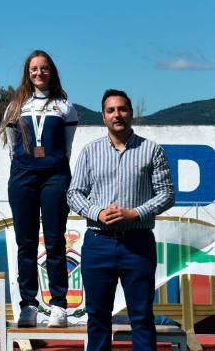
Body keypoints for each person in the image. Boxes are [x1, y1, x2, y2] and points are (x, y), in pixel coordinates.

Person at [67, 89, 174, 351]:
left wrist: (134, 213)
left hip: (137, 243)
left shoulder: (152, 150)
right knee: (97, 318)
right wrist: (98, 213)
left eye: (122, 109)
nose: (118, 115)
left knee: (141, 317)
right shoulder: (90, 152)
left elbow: (167, 194)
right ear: (103, 116)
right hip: (97, 242)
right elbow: (74, 193)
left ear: (131, 113)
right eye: (111, 110)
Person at [0, 50, 78, 327]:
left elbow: (66, 147)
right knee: (25, 243)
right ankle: (28, 304)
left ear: (51, 71)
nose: (39, 73)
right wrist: (25, 166)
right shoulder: (15, 106)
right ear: (27, 74)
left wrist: (52, 165)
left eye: (43, 68)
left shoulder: (65, 106)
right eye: (33, 69)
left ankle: (58, 305)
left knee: (55, 242)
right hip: (23, 176)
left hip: (55, 176)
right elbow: (13, 147)